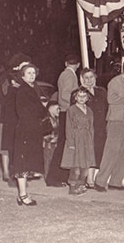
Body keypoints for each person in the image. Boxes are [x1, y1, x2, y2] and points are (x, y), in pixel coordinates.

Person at [94, 56, 124, 191]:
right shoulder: (115, 81)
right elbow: (111, 99)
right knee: (112, 150)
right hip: (116, 119)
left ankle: (116, 181)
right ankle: (100, 182)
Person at [11, 63, 49, 206]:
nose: (32, 75)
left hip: (32, 130)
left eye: (33, 73)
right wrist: (42, 108)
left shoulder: (33, 88)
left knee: (26, 162)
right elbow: (25, 112)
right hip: (26, 130)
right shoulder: (23, 91)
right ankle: (22, 195)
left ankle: (23, 194)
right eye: (29, 73)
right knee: (22, 163)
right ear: (22, 76)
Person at [47, 54, 80, 187]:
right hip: (67, 112)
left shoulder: (64, 74)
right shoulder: (69, 75)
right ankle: (54, 177)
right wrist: (77, 104)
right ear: (77, 65)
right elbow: (66, 94)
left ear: (66, 63)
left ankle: (59, 177)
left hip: (65, 111)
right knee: (63, 146)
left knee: (64, 145)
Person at [61, 87, 95, 196]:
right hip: (76, 139)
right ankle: (72, 187)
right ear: (75, 97)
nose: (81, 98)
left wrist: (91, 141)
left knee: (85, 166)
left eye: (84, 96)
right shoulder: (71, 110)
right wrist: (70, 143)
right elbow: (68, 127)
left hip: (86, 140)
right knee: (75, 166)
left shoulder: (89, 110)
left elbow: (91, 127)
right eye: (79, 96)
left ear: (87, 98)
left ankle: (80, 185)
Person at [80, 68, 108, 187]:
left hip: (100, 126)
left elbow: (107, 107)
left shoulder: (101, 91)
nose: (89, 80)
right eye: (86, 78)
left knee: (96, 151)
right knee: (87, 152)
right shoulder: (79, 93)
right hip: (86, 127)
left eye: (91, 77)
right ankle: (88, 179)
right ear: (81, 79)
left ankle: (90, 178)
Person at [0, 66, 23, 185]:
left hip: (7, 123)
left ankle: (9, 174)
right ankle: (11, 176)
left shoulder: (10, 92)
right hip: (12, 124)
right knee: (11, 150)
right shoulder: (15, 93)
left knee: (8, 150)